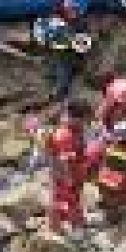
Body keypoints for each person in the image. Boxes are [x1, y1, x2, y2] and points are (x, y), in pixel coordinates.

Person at [46, 0, 92, 100]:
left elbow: (73, 13)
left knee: (65, 58)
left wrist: (60, 4)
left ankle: (62, 89)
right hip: (64, 27)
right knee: (60, 56)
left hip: (76, 28)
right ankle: (61, 78)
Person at [45, 98, 92, 232]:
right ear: (77, 118)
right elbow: (66, 161)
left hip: (73, 171)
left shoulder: (75, 129)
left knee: (73, 198)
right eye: (85, 119)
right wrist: (69, 178)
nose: (86, 123)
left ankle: (76, 222)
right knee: (64, 200)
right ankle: (61, 229)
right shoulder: (65, 135)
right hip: (64, 174)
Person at [89, 120, 126, 211]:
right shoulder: (107, 147)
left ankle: (120, 204)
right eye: (121, 141)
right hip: (110, 179)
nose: (122, 143)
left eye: (125, 141)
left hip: (124, 183)